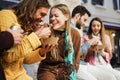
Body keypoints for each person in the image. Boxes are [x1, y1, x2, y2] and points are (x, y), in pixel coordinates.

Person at [0, 0, 56, 80]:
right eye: (42, 14)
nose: (43, 19)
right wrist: (37, 35)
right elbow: (9, 56)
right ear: (31, 9)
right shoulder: (7, 16)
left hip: (20, 75)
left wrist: (41, 51)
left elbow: (24, 58)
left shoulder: (26, 24)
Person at [37, 4, 81, 80]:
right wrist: (38, 34)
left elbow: (76, 60)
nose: (52, 18)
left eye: (56, 16)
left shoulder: (75, 34)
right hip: (47, 70)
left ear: (66, 17)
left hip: (66, 71)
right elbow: (36, 51)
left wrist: (71, 75)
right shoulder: (46, 31)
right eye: (51, 16)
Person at [71, 5, 99, 80]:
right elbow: (74, 53)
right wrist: (88, 43)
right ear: (78, 16)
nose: (84, 23)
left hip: (83, 63)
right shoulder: (71, 30)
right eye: (84, 19)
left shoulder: (74, 30)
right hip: (76, 66)